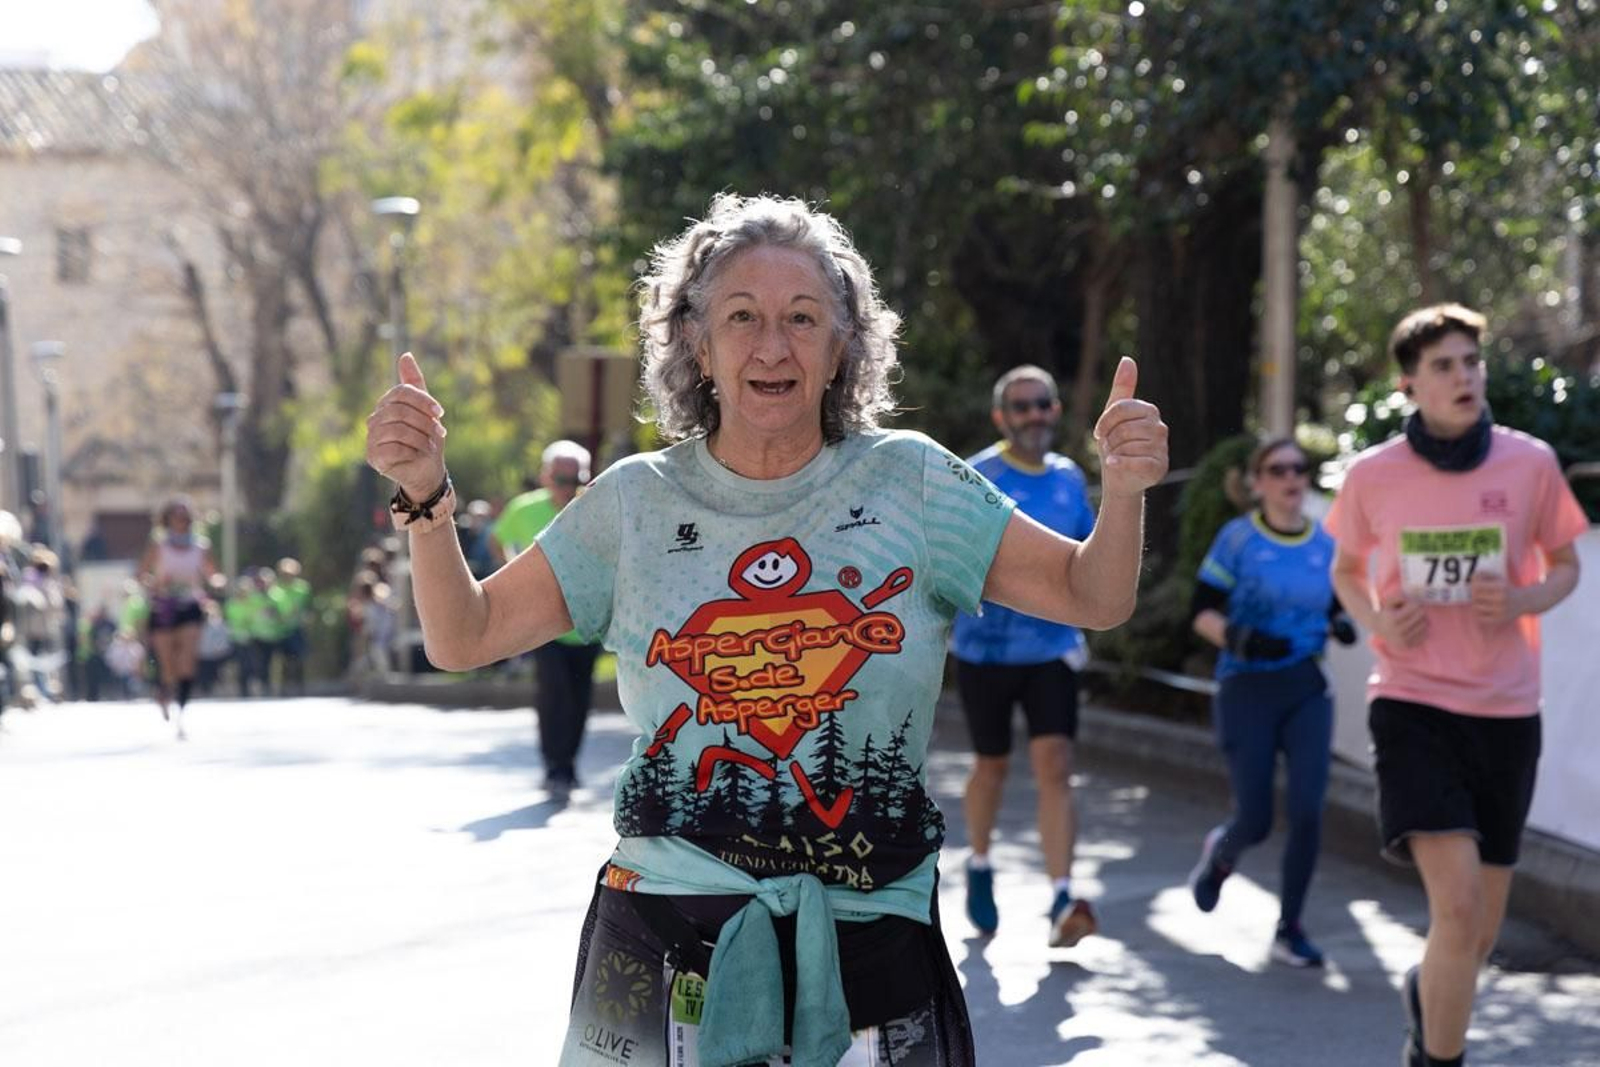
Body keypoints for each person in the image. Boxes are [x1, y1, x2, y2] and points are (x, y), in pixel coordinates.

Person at [365, 193, 1168, 1066]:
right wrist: (426, 499)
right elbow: (465, 635)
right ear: (697, 344)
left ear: (842, 346)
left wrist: (1124, 490)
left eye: (802, 318)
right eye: (742, 317)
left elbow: (1091, 595)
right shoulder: (634, 501)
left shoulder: (914, 483)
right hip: (665, 935)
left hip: (870, 942)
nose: (772, 346)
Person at [1326, 305, 1585, 1067]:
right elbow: (1346, 569)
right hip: (1411, 705)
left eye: (1472, 361)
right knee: (1460, 904)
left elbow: (1566, 563)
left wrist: (1524, 597)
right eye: (1444, 365)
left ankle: (1426, 994)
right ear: (1409, 383)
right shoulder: (1373, 474)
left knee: (1477, 932)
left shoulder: (1530, 462)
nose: (1465, 375)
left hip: (1506, 710)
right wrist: (1380, 618)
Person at [1186, 436, 1358, 967]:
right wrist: (1241, 639)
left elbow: (1335, 603)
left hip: (1306, 688)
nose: (1291, 479)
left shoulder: (1326, 543)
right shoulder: (1238, 539)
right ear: (1257, 482)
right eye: (1278, 470)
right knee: (1256, 819)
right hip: (1247, 689)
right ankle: (1222, 854)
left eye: (1299, 469)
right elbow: (1200, 611)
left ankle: (1290, 927)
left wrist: (1342, 622)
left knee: (1308, 810)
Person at [949, 365, 1099, 949]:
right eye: (1022, 406)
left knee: (1056, 766)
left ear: (1055, 411)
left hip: (1052, 650)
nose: (1034, 415)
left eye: (1043, 404)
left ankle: (1061, 895)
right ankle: (980, 862)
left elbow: (1086, 557)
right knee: (992, 766)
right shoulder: (977, 476)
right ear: (1001, 417)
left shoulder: (1068, 478)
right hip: (985, 651)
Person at [490, 440, 604, 793]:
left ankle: (568, 764)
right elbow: (497, 539)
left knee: (579, 697)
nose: (568, 487)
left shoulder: (597, 508)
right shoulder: (524, 509)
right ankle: (554, 765)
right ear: (545, 477)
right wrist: (513, 576)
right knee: (554, 694)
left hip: (586, 622)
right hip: (542, 623)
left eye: (576, 479)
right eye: (561, 479)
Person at [136, 498, 218, 738]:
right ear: (168, 519)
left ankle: (181, 712)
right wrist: (155, 584)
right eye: (177, 516)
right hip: (164, 607)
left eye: (185, 516)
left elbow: (212, 573)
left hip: (191, 605)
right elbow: (142, 574)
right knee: (168, 663)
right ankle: (164, 690)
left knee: (187, 660)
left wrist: (216, 583)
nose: (182, 520)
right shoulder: (158, 545)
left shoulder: (201, 545)